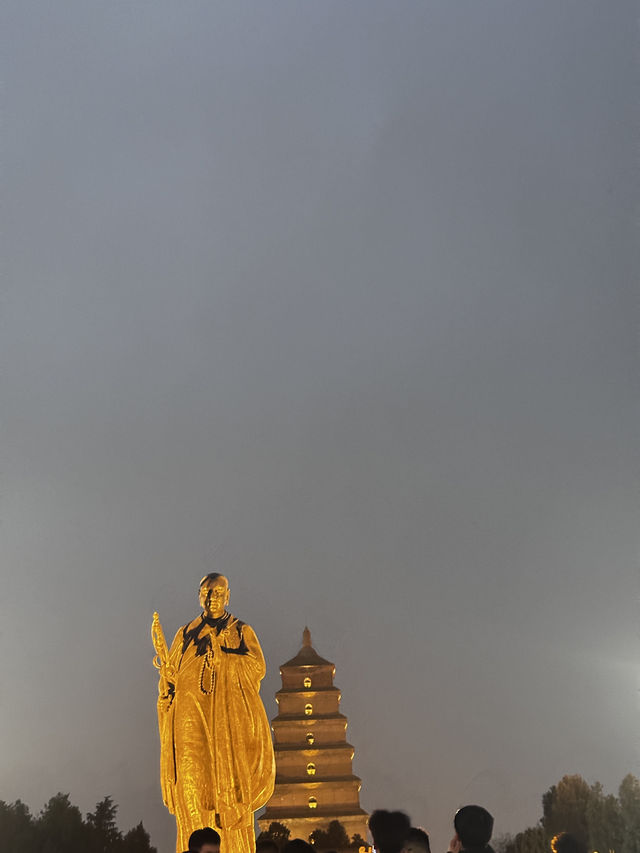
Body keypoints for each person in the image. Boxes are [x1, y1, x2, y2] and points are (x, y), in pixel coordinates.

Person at [154, 573, 275, 853]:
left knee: (225, 800)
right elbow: (171, 678)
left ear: (228, 596)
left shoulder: (240, 630)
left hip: (225, 731)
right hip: (188, 725)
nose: (213, 598)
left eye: (219, 592)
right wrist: (167, 684)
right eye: (207, 592)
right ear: (199, 596)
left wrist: (224, 658)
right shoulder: (185, 634)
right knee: (190, 795)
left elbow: (257, 668)